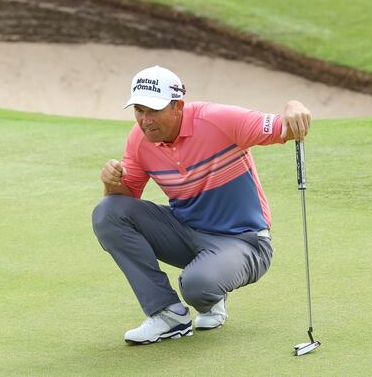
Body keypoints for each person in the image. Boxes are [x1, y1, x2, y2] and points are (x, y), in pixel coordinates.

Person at [92, 65, 312, 345]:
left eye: (153, 111)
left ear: (177, 106)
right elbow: (123, 201)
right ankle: (167, 315)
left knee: (196, 286)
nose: (145, 121)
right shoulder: (139, 140)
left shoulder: (218, 119)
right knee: (107, 212)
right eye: (139, 110)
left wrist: (294, 106)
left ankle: (211, 295)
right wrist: (111, 182)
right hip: (186, 232)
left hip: (244, 241)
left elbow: (285, 126)